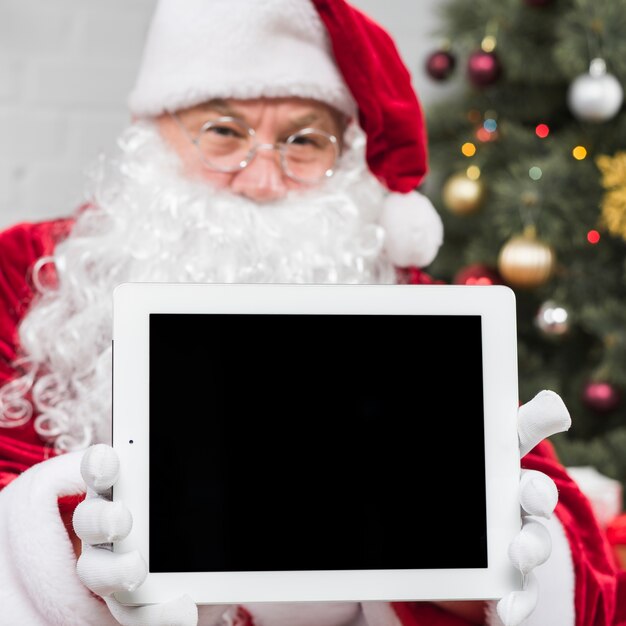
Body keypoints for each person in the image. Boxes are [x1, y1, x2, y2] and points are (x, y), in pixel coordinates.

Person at [0, 0, 623, 625]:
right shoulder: (33, 271)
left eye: (303, 141)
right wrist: (73, 559)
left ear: (343, 156)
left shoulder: (412, 298)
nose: (263, 179)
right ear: (155, 133)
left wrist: (484, 577)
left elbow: (565, 545)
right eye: (223, 132)